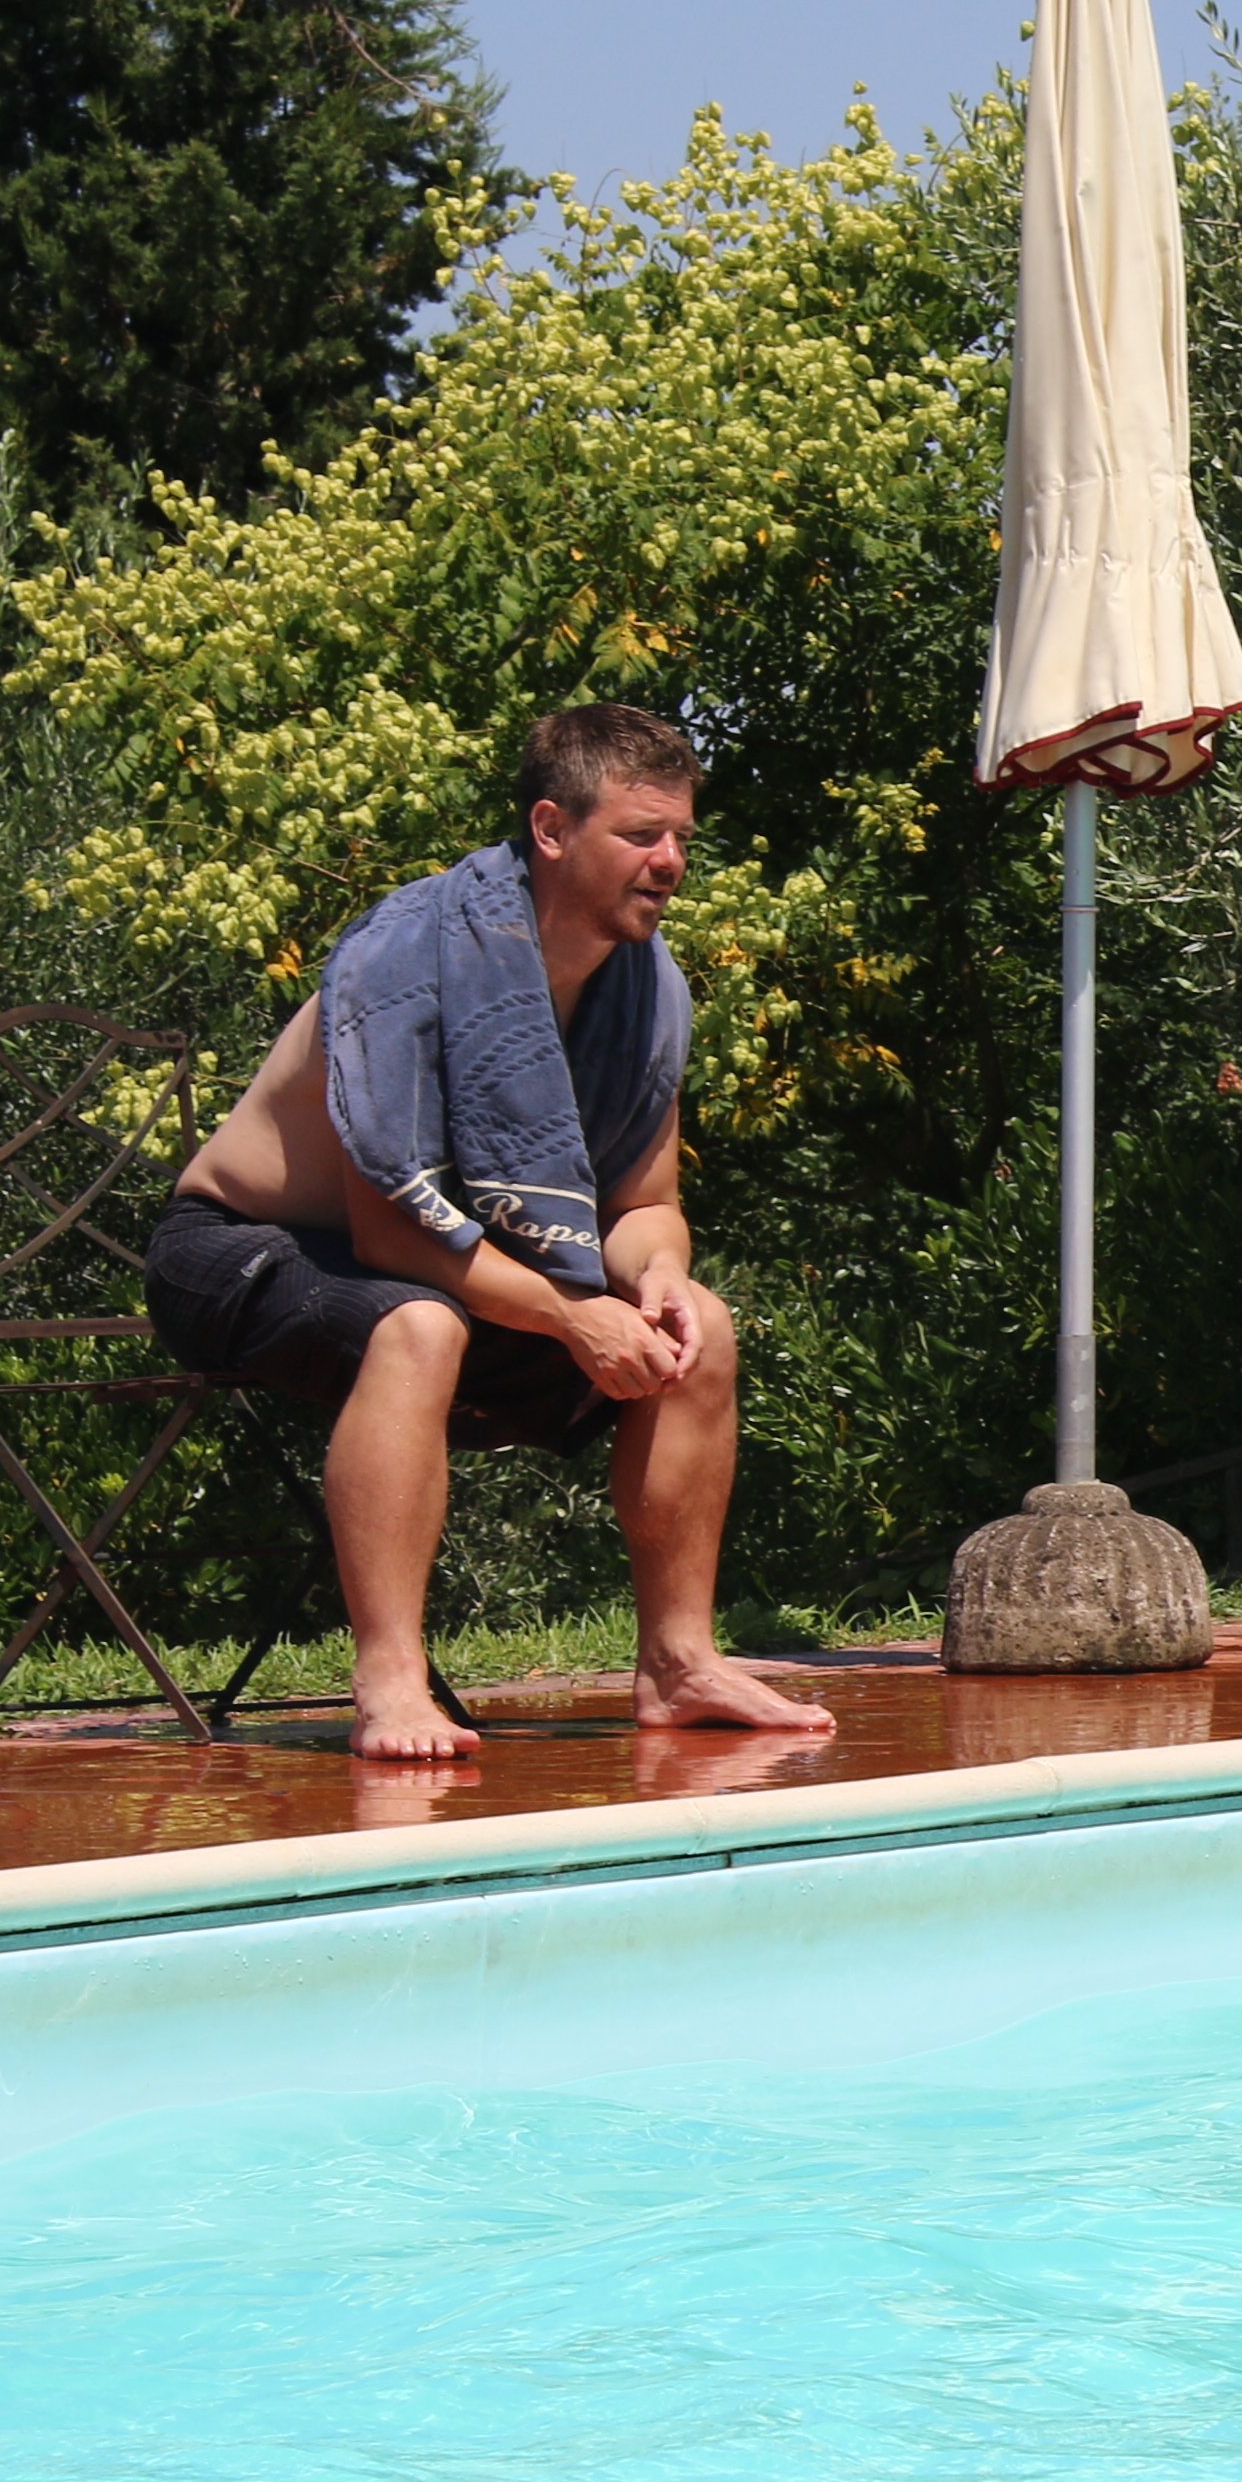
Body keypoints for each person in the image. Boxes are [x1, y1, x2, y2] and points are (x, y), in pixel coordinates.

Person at [146, 704, 840, 1765]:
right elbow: (393, 1233)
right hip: (240, 1253)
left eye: (681, 838)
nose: (669, 862)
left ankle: (678, 1664)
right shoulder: (406, 953)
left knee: (698, 1324)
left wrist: (656, 1274)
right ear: (552, 828)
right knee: (418, 1325)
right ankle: (390, 1681)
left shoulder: (648, 988)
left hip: (459, 1274)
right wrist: (573, 1318)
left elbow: (645, 1204)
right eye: (641, 834)